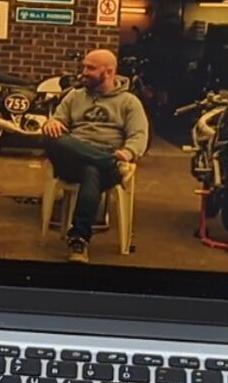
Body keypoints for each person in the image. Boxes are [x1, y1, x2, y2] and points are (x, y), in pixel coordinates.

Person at [26, 45, 150, 254]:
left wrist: (128, 152)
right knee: (51, 137)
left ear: (108, 72)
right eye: (84, 67)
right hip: (80, 159)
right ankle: (105, 162)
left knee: (91, 171)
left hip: (106, 158)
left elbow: (139, 135)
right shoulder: (74, 96)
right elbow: (58, 120)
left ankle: (79, 238)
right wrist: (52, 123)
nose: (83, 72)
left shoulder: (129, 102)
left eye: (90, 68)